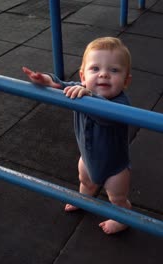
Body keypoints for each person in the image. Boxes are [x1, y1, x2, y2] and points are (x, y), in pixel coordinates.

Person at [22, 37, 132, 234]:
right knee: (85, 182)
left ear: (126, 81)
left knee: (116, 197)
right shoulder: (82, 90)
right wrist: (47, 80)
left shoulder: (122, 104)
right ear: (82, 75)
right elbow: (61, 85)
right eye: (95, 69)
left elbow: (106, 117)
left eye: (114, 70)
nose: (104, 75)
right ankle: (83, 200)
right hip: (88, 158)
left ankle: (122, 217)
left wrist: (89, 97)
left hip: (115, 167)